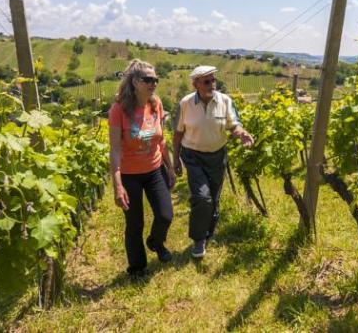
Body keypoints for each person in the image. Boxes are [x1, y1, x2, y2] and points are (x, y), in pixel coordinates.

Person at [173, 65, 254, 258]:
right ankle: (198, 240)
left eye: (213, 80)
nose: (212, 84)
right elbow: (177, 135)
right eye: (207, 81)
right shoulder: (185, 104)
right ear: (196, 84)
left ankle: (208, 233)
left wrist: (241, 134)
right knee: (202, 197)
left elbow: (234, 124)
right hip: (193, 157)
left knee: (214, 200)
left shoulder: (225, 101)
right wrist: (176, 160)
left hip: (217, 156)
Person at [109, 59, 176, 276]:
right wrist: (118, 186)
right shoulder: (119, 110)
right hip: (130, 175)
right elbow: (115, 150)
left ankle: (156, 242)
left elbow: (160, 139)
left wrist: (171, 167)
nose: (153, 83)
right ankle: (137, 268)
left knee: (165, 215)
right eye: (148, 79)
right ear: (135, 81)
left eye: (155, 79)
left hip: (155, 169)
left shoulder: (156, 104)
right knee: (135, 223)